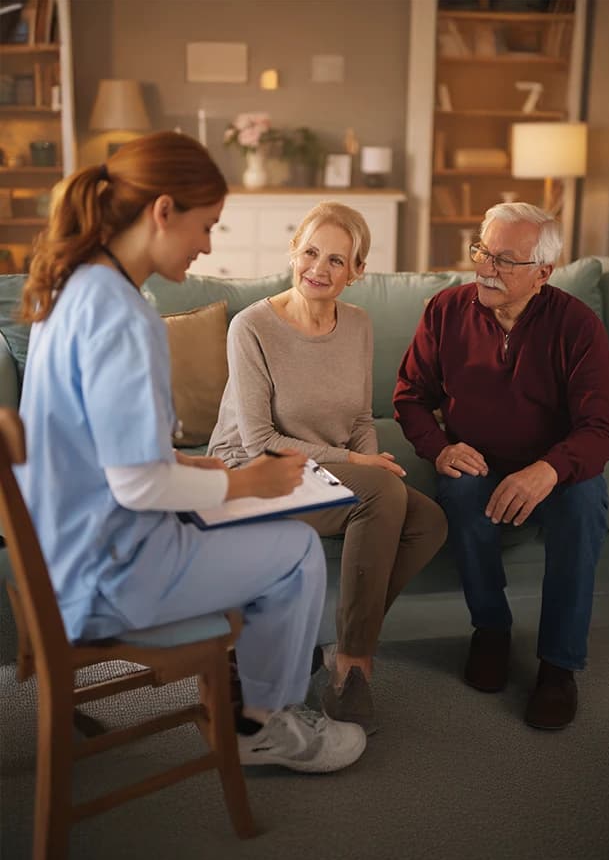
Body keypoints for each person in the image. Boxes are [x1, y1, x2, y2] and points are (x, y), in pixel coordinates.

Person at [16, 131, 367, 773]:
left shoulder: (72, 288)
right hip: (106, 574)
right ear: (162, 212)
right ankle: (266, 725)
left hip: (58, 558)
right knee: (295, 551)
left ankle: (254, 696)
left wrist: (186, 465)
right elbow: (137, 487)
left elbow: (96, 449)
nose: (208, 245)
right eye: (206, 226)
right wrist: (247, 485)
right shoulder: (126, 317)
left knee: (259, 529)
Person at [208, 201, 448, 735]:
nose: (320, 268)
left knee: (429, 520)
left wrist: (374, 458)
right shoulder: (251, 327)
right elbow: (260, 440)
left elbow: (361, 417)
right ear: (293, 251)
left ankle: (337, 642)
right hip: (251, 474)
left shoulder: (358, 324)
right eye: (311, 252)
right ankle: (352, 668)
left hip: (322, 472)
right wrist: (362, 464)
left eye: (337, 261)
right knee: (381, 496)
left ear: (357, 272)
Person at [393, 201, 609, 730]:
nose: (484, 268)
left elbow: (601, 427)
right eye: (482, 251)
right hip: (477, 458)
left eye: (504, 260)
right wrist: (440, 448)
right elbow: (409, 396)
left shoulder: (578, 326)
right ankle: (491, 631)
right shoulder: (446, 310)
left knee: (586, 504)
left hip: (556, 468)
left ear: (543, 273)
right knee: (460, 493)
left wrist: (549, 469)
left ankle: (559, 665)